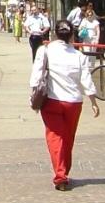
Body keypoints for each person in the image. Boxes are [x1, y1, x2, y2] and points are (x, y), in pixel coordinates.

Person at [29, 20, 99, 190]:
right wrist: (93, 102)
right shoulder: (79, 56)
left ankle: (60, 175)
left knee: (55, 138)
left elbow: (36, 76)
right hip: (74, 103)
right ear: (72, 35)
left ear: (54, 33)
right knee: (68, 138)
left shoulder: (44, 51)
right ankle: (64, 170)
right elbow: (86, 80)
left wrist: (33, 97)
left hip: (52, 102)